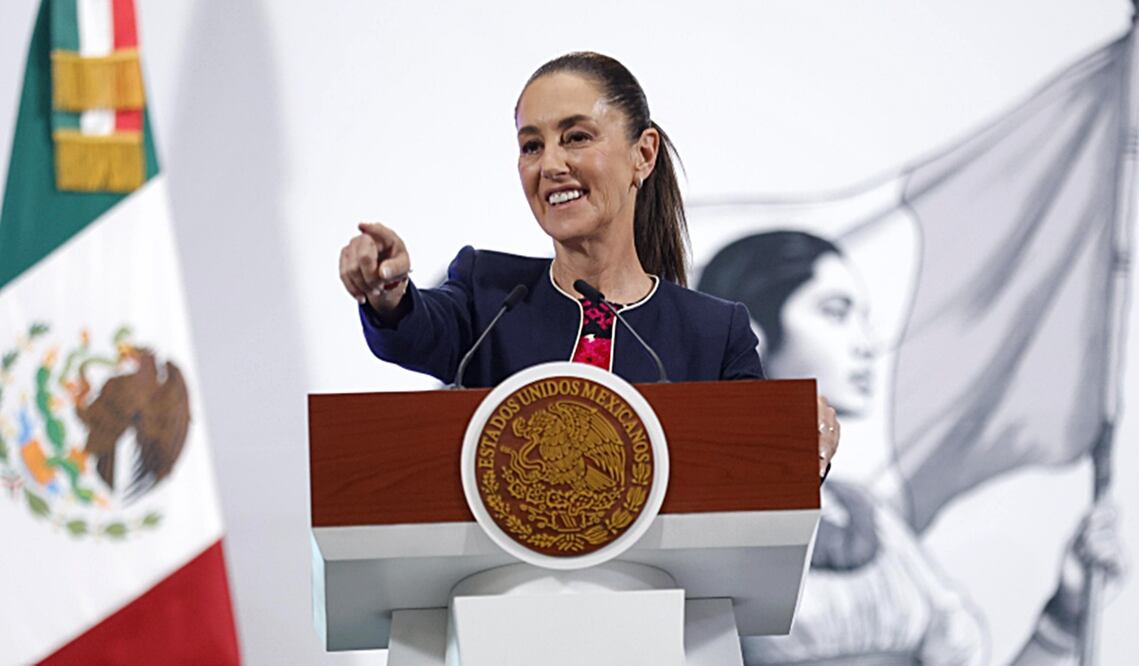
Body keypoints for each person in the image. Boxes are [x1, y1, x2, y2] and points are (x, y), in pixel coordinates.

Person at [338, 53, 840, 476]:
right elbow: (415, 330)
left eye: (576, 137)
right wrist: (387, 293)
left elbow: (758, 474)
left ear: (643, 154)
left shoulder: (713, 333)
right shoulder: (487, 295)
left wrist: (796, 440)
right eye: (532, 146)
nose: (550, 165)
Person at [699, 231, 1127, 665]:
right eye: (836, 313)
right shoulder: (696, 516)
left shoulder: (871, 518)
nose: (866, 344)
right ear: (751, 338)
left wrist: (1064, 615)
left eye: (864, 318)